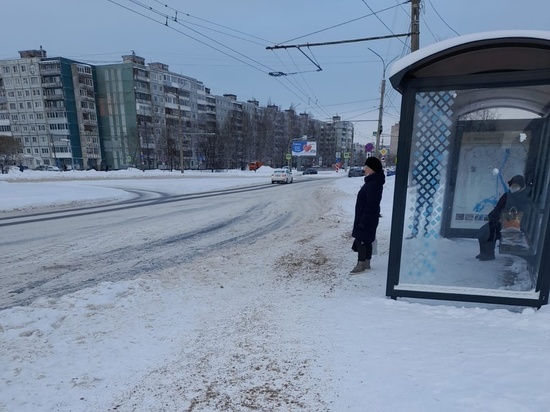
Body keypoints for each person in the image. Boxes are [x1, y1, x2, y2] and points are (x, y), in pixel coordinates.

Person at [477, 174, 531, 261]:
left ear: (521, 186)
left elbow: (525, 213)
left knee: (490, 233)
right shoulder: (507, 195)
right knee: (482, 232)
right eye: (512, 185)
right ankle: (483, 252)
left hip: (514, 223)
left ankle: (489, 254)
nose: (513, 187)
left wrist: (504, 218)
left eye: (516, 186)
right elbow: (498, 208)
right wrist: (494, 217)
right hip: (501, 220)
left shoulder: (525, 198)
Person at [350, 156, 385, 274]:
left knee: (361, 240)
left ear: (372, 169)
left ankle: (361, 264)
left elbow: (371, 204)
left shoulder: (373, 184)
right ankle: (367, 263)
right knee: (367, 239)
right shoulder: (373, 182)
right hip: (368, 216)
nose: (364, 169)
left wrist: (363, 221)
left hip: (366, 217)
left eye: (366, 167)